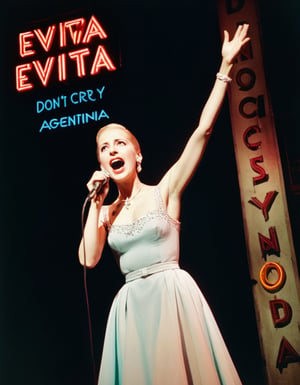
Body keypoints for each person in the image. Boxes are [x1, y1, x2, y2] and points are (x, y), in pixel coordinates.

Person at [79, 24, 250, 385]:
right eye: (104, 147)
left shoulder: (165, 190)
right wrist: (97, 202)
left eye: (120, 143)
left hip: (172, 298)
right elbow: (88, 259)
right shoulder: (106, 211)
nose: (112, 150)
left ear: (137, 156)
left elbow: (201, 132)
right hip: (130, 311)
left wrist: (225, 70)